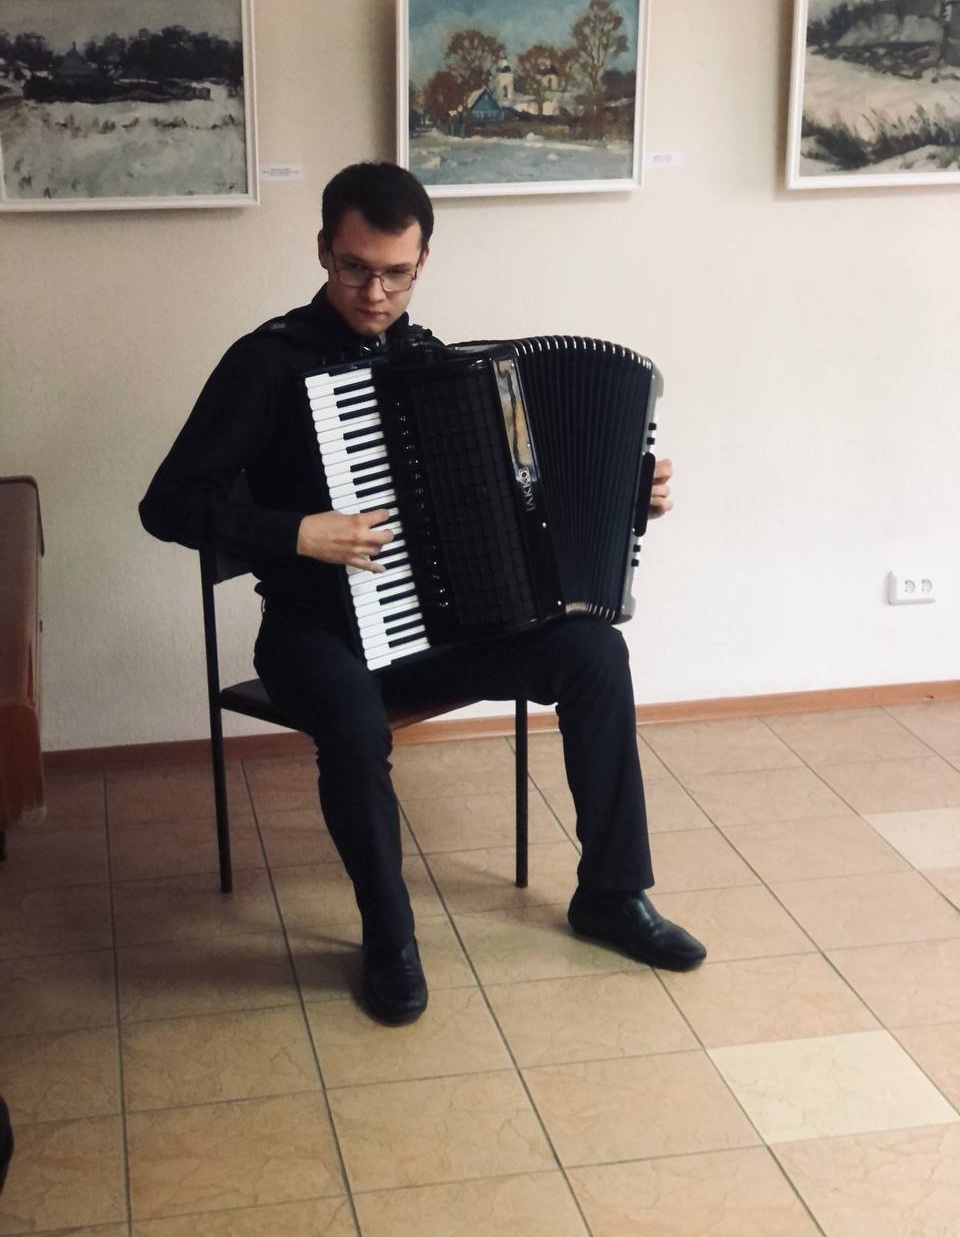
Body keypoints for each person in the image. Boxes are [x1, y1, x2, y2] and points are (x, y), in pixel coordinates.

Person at [140, 161, 706, 1025]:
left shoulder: (432, 364)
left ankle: (611, 893)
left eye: (396, 273)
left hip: (433, 628)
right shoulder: (265, 362)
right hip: (314, 629)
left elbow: (514, 501)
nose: (375, 293)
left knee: (596, 650)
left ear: (423, 262)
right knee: (354, 722)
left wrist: (629, 494)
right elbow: (169, 504)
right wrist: (297, 532)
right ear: (323, 250)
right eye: (355, 268)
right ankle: (389, 939)